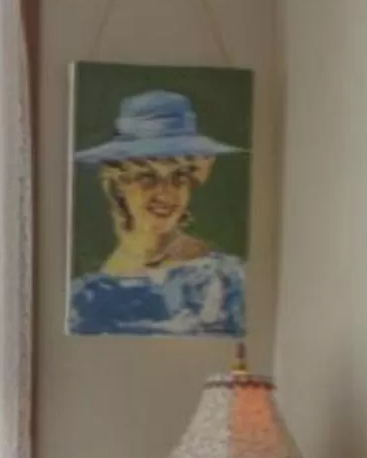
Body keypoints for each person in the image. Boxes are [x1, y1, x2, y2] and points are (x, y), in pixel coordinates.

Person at [67, 89, 247, 336]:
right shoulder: (83, 298)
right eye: (148, 177)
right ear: (119, 185)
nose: (165, 193)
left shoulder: (229, 279)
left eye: (179, 177)